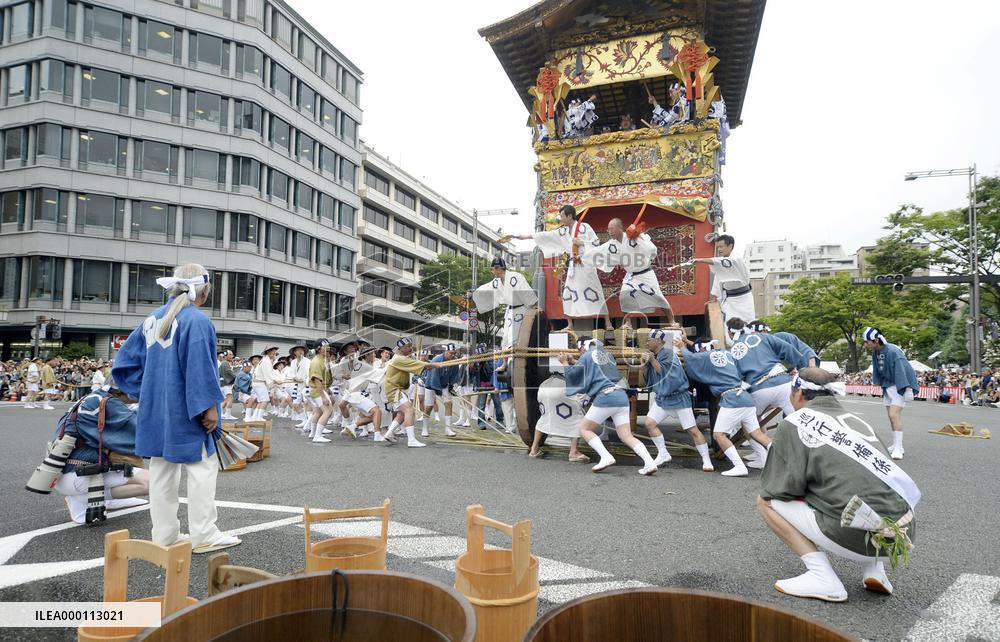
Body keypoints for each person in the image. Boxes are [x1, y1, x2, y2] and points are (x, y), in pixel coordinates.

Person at [758, 368, 920, 601]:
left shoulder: (793, 422)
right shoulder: (857, 419)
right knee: (862, 489)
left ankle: (822, 576)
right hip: (902, 535)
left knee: (766, 502)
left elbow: (782, 488)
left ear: (798, 393)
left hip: (855, 537)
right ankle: (875, 570)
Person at [112, 263, 240, 554]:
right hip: (186, 407)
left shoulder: (151, 318)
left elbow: (123, 365)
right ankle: (204, 534)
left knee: (161, 472)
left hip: (155, 408)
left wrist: (150, 389)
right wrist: (208, 407)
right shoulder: (196, 320)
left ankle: (165, 536)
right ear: (204, 291)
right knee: (201, 469)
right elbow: (200, 368)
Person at [561, 337, 658, 475]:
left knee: (584, 429)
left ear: (583, 347)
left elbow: (574, 374)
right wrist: (574, 361)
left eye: (579, 350)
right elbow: (594, 370)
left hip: (606, 397)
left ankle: (605, 457)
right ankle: (650, 462)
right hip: (621, 396)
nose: (580, 352)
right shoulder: (608, 355)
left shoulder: (587, 355)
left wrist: (565, 362)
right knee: (626, 436)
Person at [677, 337, 772, 476]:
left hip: (733, 400)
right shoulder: (726, 353)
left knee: (719, 434)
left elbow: (692, 359)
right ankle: (773, 460)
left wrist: (682, 347)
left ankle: (739, 466)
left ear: (703, 349)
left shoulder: (709, 355)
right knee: (755, 433)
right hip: (746, 398)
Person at [54, 388, 150, 524]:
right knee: (155, 482)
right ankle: (83, 498)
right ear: (121, 390)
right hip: (80, 474)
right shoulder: (108, 403)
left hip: (61, 472)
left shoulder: (92, 398)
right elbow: (136, 432)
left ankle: (110, 499)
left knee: (120, 457)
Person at [514, 204, 608, 332]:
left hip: (586, 264)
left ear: (569, 216)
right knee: (567, 293)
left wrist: (581, 243)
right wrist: (526, 237)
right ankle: (570, 324)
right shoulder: (563, 231)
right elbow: (547, 235)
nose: (561, 219)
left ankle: (607, 322)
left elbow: (596, 243)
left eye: (562, 216)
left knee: (596, 290)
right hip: (574, 266)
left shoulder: (585, 227)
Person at [640, 330, 705, 470]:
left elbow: (665, 373)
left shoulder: (669, 353)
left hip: (678, 397)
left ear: (658, 341)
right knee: (650, 423)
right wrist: (645, 364)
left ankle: (707, 460)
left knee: (693, 430)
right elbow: (650, 378)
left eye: (649, 340)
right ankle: (663, 453)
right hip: (663, 398)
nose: (647, 342)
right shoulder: (656, 355)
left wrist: (652, 360)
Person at [593, 218, 673, 325]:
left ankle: (672, 321)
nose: (609, 231)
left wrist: (638, 236)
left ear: (620, 228)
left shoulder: (634, 236)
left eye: (611, 228)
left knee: (658, 297)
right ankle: (628, 323)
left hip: (646, 273)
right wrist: (583, 256)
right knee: (624, 296)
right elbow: (598, 251)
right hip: (631, 276)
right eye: (608, 229)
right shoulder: (611, 244)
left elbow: (651, 249)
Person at [728, 317, 802, 419]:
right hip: (783, 384)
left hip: (758, 390)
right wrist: (791, 368)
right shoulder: (763, 337)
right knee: (798, 420)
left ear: (730, 333)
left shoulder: (731, 352)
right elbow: (789, 350)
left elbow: (736, 377)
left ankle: (762, 434)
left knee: (751, 424)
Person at [863, 327, 918, 460]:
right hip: (888, 386)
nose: (865, 344)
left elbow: (906, 369)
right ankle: (896, 444)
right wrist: (878, 382)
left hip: (899, 385)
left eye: (867, 342)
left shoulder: (893, 351)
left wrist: (909, 388)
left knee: (894, 415)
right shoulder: (876, 351)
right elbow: (877, 368)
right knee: (890, 416)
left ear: (876, 341)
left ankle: (899, 448)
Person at [383, 337, 442, 448]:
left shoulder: (401, 357)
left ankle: (389, 433)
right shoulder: (399, 359)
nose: (411, 348)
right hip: (394, 389)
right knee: (409, 410)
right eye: (408, 346)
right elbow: (418, 364)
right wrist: (431, 365)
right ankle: (411, 440)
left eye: (411, 345)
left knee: (402, 413)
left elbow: (417, 364)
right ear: (401, 348)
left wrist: (428, 366)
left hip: (396, 388)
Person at [471, 257, 538, 350]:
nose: (492, 271)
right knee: (505, 339)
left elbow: (526, 292)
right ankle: (505, 363)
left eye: (492, 269)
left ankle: (512, 361)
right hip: (509, 310)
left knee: (514, 337)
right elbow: (485, 289)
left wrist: (534, 306)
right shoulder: (496, 282)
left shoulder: (516, 277)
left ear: (498, 268)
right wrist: (473, 294)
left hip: (520, 310)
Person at [693, 235, 755, 326]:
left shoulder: (736, 259)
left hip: (743, 299)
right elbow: (719, 282)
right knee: (729, 325)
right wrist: (715, 299)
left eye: (721, 246)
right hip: (729, 300)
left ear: (730, 246)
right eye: (717, 247)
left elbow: (724, 262)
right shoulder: (720, 266)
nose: (719, 249)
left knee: (747, 324)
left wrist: (700, 260)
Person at [422, 344, 462, 438]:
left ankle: (448, 429)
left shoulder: (454, 361)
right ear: (446, 352)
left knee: (449, 404)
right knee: (429, 407)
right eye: (451, 353)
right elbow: (433, 377)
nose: (453, 355)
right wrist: (437, 390)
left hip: (444, 385)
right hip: (431, 385)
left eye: (454, 353)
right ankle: (425, 428)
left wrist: (451, 386)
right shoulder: (437, 360)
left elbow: (454, 375)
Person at [746, 321, 819, 369]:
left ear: (765, 331)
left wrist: (812, 369)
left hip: (801, 373)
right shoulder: (753, 349)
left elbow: (807, 351)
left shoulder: (782, 337)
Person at [304, 340, 334, 443]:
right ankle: (317, 436)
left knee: (318, 411)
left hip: (317, 389)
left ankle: (313, 433)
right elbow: (316, 380)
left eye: (328, 346)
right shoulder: (317, 361)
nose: (328, 348)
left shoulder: (322, 359)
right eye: (325, 346)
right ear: (318, 349)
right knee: (328, 411)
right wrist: (324, 396)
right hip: (317, 390)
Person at [470, 344, 504, 430]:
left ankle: (500, 421)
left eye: (484, 353)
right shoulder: (475, 361)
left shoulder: (490, 359)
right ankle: (481, 422)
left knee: (497, 403)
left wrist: (495, 385)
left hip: (492, 384)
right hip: (481, 385)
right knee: (481, 405)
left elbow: (494, 372)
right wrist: (474, 364)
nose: (482, 356)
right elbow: (472, 373)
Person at [288, 345, 310, 422]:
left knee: (307, 403)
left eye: (302, 350)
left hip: (307, 385)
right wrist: (295, 378)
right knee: (296, 405)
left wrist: (304, 380)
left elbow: (309, 373)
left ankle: (310, 421)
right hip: (297, 385)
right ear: (294, 352)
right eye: (298, 350)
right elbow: (292, 373)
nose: (301, 351)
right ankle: (304, 421)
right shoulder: (293, 362)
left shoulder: (307, 361)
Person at [218, 351, 236, 420]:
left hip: (222, 383)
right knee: (230, 398)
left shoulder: (223, 363)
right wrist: (235, 377)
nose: (232, 356)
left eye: (232, 354)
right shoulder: (225, 363)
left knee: (224, 400)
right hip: (226, 383)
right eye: (230, 354)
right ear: (226, 356)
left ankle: (221, 413)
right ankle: (228, 414)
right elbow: (229, 372)